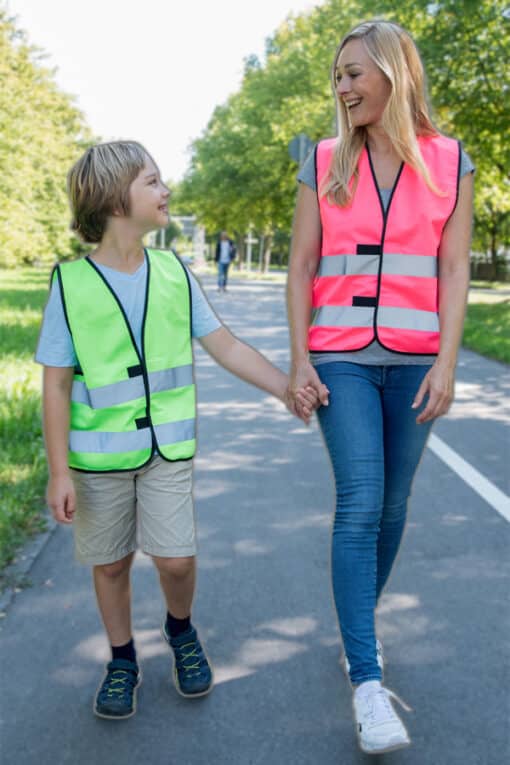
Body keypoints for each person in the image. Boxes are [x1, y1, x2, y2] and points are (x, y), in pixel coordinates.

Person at [36, 140, 318, 721]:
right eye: (153, 182)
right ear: (118, 200)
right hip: (98, 460)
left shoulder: (172, 271)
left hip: (168, 451)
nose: (166, 192)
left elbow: (227, 346)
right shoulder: (70, 285)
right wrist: (59, 470)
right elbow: (57, 385)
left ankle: (181, 630)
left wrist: (287, 385)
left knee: (176, 561)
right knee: (110, 564)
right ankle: (122, 660)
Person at [286, 20, 473, 755]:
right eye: (338, 75)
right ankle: (367, 680)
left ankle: (355, 625)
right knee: (360, 500)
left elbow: (454, 269)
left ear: (396, 73)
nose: (343, 86)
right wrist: (300, 358)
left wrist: (449, 361)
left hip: (417, 358)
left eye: (355, 72)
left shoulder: (449, 160)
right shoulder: (323, 159)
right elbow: (301, 265)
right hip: (341, 360)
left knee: (394, 505)